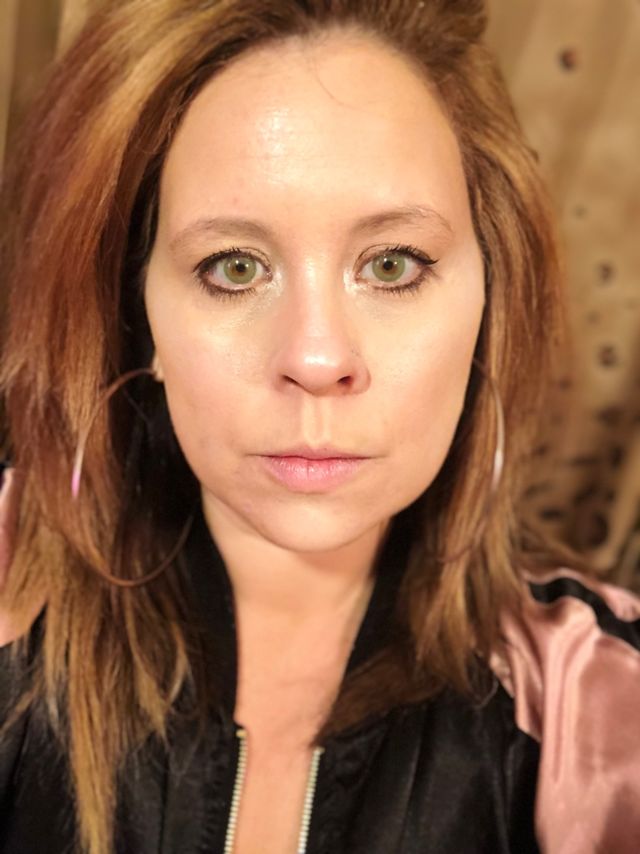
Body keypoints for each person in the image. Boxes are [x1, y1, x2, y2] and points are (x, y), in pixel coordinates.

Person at [0, 1, 638, 852]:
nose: (316, 357)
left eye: (392, 265)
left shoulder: (596, 708)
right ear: (136, 314)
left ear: (491, 300)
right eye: (234, 267)